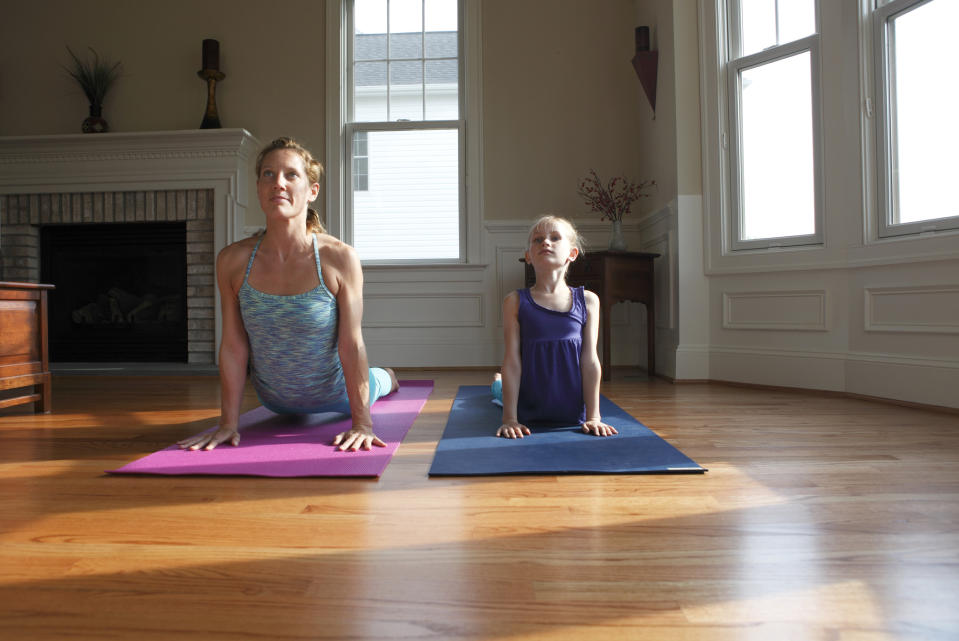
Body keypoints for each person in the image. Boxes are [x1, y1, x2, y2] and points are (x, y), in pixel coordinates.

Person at [177, 137, 398, 453]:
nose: (277, 183)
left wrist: (362, 423)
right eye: (268, 174)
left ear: (312, 191)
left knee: (379, 382)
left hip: (335, 394)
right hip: (274, 401)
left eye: (291, 175)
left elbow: (351, 344)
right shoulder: (232, 260)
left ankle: (389, 376)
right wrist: (227, 423)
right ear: (258, 188)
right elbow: (233, 346)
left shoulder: (340, 258)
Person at [493, 215, 617, 439]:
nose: (545, 243)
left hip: (570, 411)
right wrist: (510, 419)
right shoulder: (514, 301)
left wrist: (594, 417)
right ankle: (497, 384)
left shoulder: (588, 301)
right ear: (528, 256)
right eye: (538, 239)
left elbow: (590, 360)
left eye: (555, 238)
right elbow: (511, 360)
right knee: (499, 391)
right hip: (527, 408)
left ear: (572, 253)